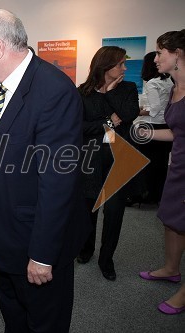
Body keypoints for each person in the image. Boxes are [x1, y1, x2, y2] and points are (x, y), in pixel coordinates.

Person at [0, 7, 90, 332]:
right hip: (5, 238)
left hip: (35, 247)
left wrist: (42, 255)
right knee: (15, 319)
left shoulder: (54, 92)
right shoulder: (2, 85)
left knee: (44, 324)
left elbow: (58, 183)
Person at [77, 46, 140, 280]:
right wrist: (109, 121)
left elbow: (130, 114)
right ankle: (86, 250)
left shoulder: (127, 89)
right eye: (121, 64)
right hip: (90, 160)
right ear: (105, 66)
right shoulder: (82, 93)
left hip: (118, 160)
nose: (125, 68)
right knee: (88, 210)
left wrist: (111, 93)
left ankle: (106, 259)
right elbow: (78, 127)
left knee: (114, 214)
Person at [138, 29, 185, 315]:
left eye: (160, 52)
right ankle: (170, 268)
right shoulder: (174, 87)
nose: (156, 59)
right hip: (177, 165)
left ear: (178, 54)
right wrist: (148, 134)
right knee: (171, 220)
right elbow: (179, 132)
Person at [128, 52, 173, 205]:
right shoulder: (169, 81)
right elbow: (163, 106)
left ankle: (142, 195)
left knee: (145, 163)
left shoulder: (153, 83)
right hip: (165, 126)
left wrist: (135, 111)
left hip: (151, 127)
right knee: (160, 165)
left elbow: (154, 109)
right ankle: (156, 195)